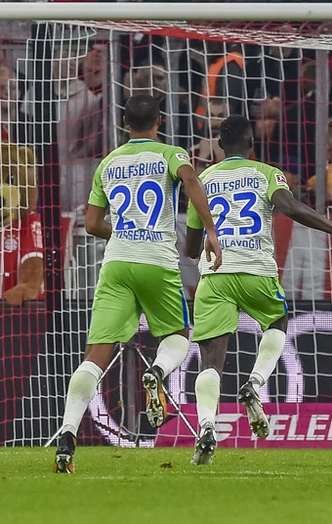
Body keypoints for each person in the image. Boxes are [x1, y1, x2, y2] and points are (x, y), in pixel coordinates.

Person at [52, 94, 223, 473]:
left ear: (124, 123)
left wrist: (122, 233)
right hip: (156, 261)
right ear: (159, 121)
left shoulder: (108, 163)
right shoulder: (170, 154)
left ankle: (66, 437)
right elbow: (191, 178)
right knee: (178, 335)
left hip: (116, 263)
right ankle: (158, 372)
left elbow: (94, 223)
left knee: (95, 355)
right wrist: (210, 231)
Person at [184, 115, 332, 464]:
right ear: (252, 142)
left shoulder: (201, 179)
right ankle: (255, 381)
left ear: (219, 145)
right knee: (277, 323)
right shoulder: (266, 173)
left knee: (210, 362)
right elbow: (290, 207)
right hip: (256, 270)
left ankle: (206, 427)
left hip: (216, 274)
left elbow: (190, 248)